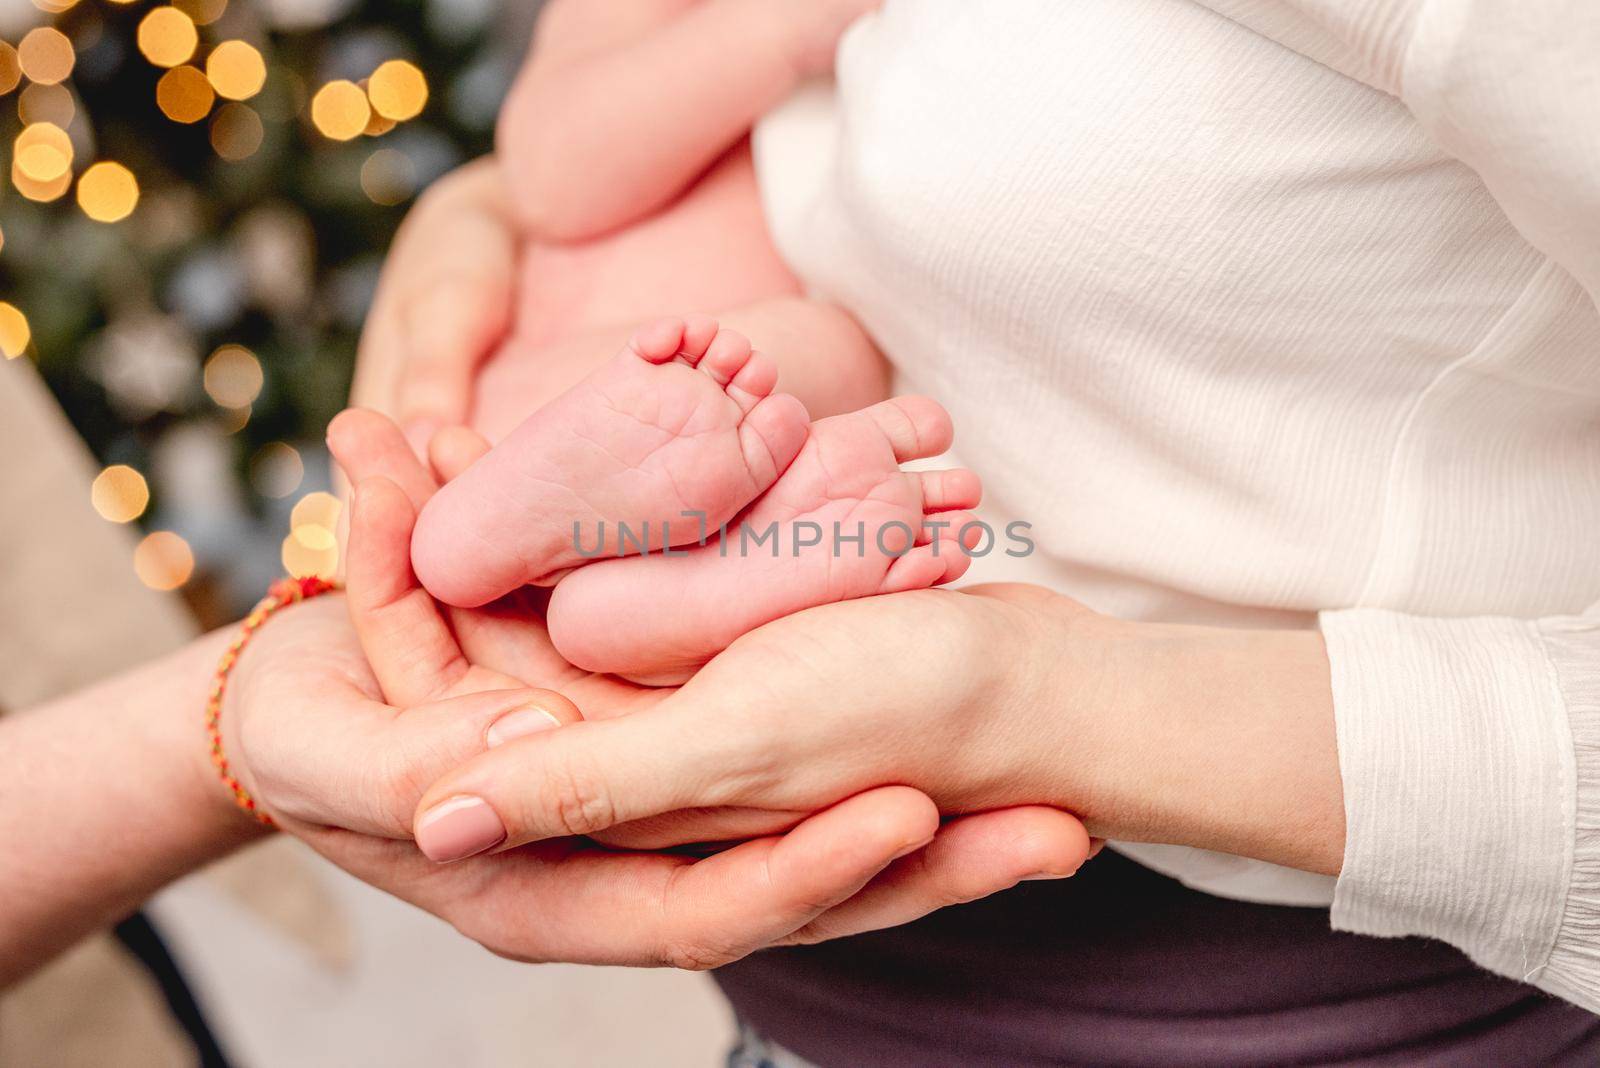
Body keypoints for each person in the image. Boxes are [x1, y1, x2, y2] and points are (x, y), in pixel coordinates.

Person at [366, 0, 1600, 1064]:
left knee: (783, 378)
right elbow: (547, 164)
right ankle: (614, 565)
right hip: (728, 370)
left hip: (801, 374)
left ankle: (650, 571)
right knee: (722, 384)